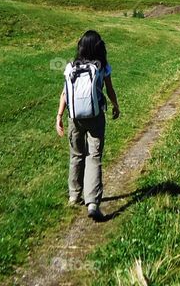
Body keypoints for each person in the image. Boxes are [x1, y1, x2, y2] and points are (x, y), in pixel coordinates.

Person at [56, 30, 120, 221]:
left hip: (74, 118)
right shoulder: (102, 67)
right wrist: (116, 105)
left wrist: (59, 115)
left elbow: (65, 94)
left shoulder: (71, 68)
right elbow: (109, 89)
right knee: (94, 156)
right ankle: (92, 202)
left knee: (76, 155)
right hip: (96, 116)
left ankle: (74, 196)